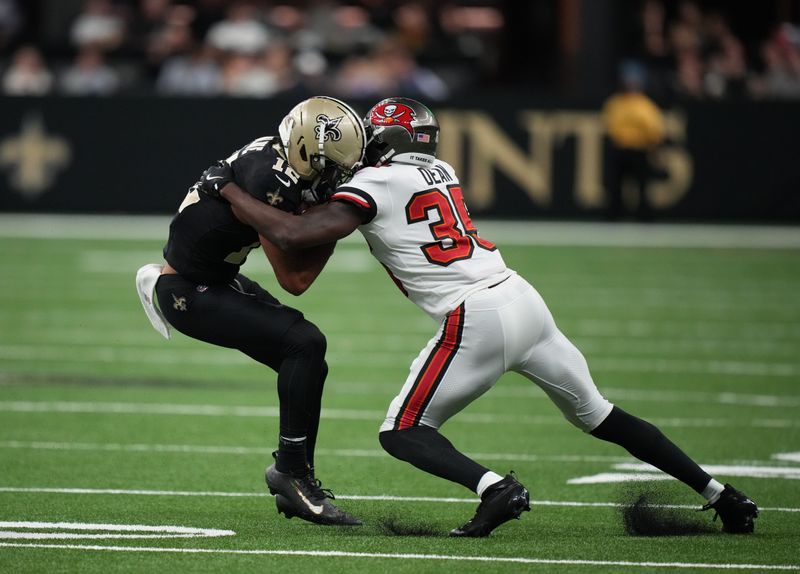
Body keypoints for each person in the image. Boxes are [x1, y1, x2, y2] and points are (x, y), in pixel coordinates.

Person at [202, 97, 758, 537]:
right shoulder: (441, 169)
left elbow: (295, 235)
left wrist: (227, 187)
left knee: (402, 432)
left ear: (384, 142)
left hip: (476, 314)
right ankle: (721, 495)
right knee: (601, 415)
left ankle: (494, 488)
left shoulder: (372, 181)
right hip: (523, 299)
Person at [135, 96, 366, 526]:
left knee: (307, 356)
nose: (337, 176)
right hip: (190, 291)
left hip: (215, 276)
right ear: (302, 148)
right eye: (330, 166)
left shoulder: (276, 157)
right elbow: (295, 280)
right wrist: (341, 219)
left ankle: (295, 472)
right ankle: (291, 475)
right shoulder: (268, 179)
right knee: (304, 343)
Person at [602, 61, 665, 221]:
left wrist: (651, 146)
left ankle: (644, 219)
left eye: (633, 80)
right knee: (615, 187)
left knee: (642, 187)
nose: (630, 84)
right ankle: (614, 218)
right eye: (628, 80)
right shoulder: (615, 103)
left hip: (639, 150)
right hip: (620, 150)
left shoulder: (646, 105)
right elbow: (610, 126)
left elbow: (655, 131)